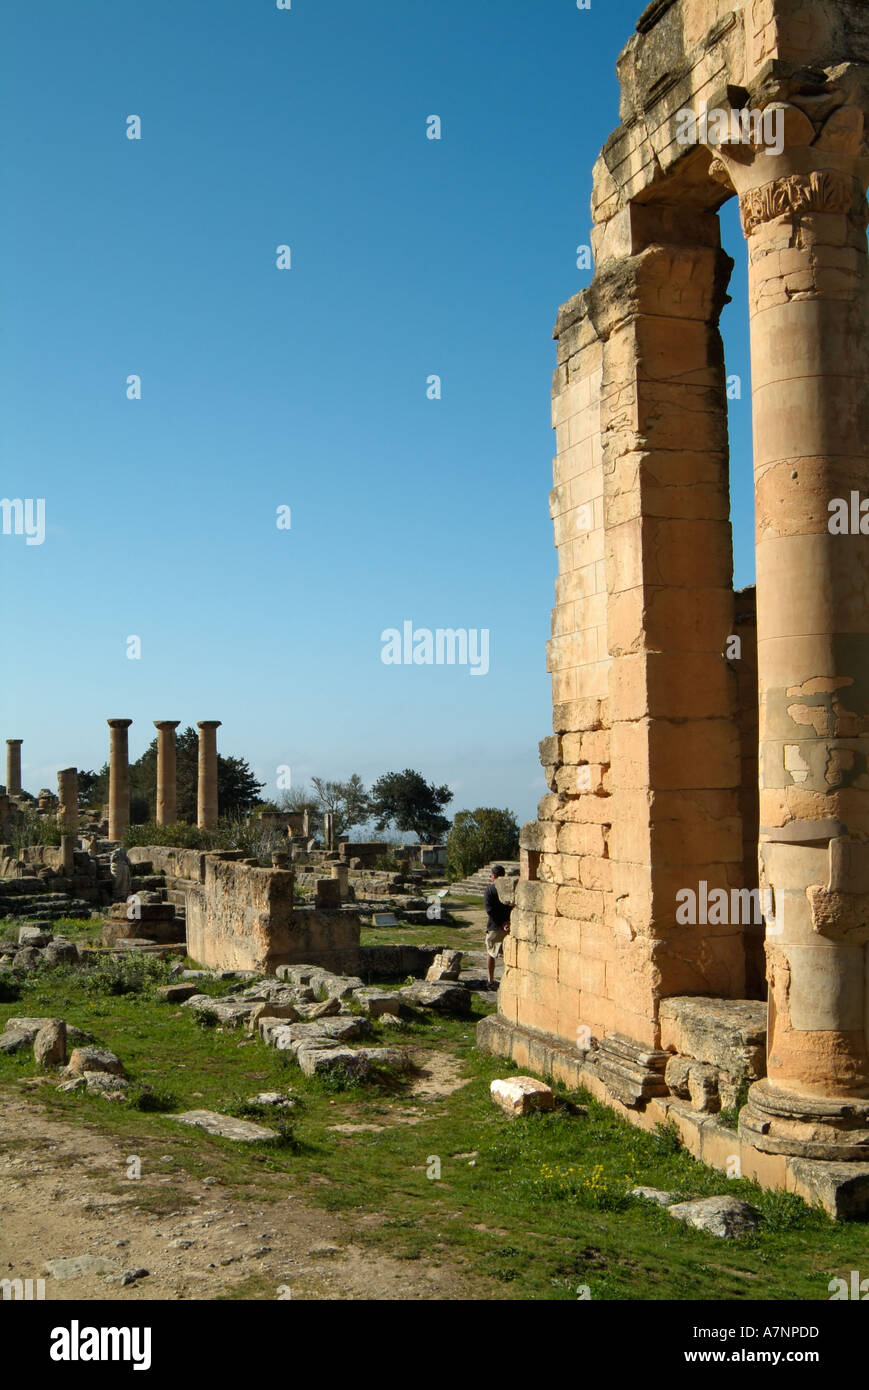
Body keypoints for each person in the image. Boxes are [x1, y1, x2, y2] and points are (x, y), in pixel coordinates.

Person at [484, 865, 511, 989]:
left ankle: (490, 980)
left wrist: (501, 923)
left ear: (493, 876)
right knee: (508, 953)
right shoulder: (508, 889)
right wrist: (507, 922)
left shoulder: (489, 890)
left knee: (491, 952)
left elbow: (490, 910)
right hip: (508, 925)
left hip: (495, 926)